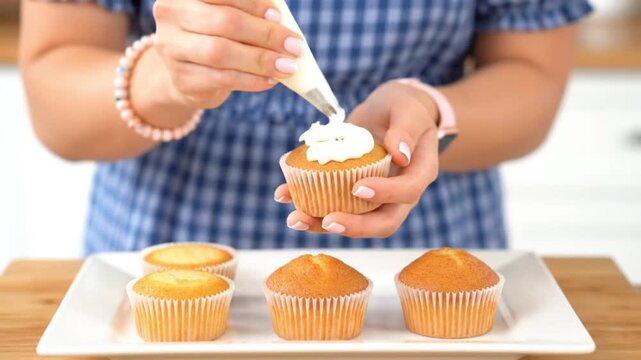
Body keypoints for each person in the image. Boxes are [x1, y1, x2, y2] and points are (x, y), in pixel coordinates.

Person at [20, 0, 592, 253]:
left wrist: (429, 111)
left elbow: (532, 80)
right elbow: (55, 106)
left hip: (421, 260)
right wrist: (168, 81)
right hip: (173, 258)